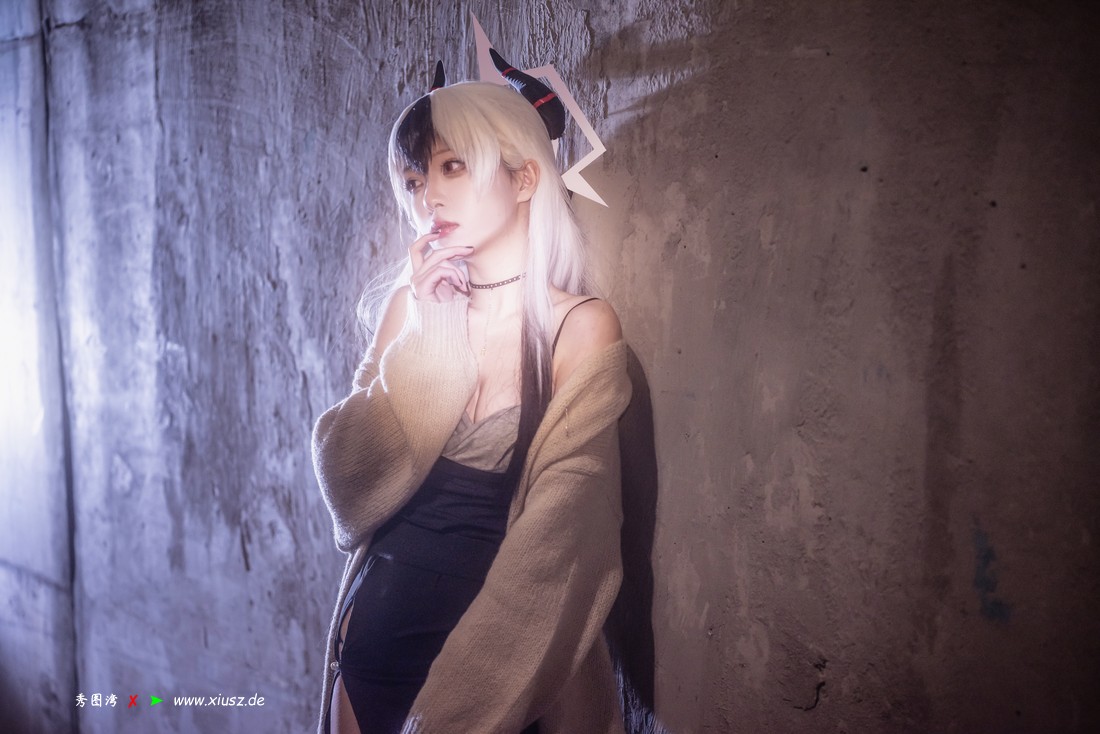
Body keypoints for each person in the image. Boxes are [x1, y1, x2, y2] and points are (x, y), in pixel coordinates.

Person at [312, 54, 632, 734]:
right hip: (372, 646)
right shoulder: (410, 307)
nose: (428, 195)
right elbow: (350, 488)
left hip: (501, 670)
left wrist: (457, 707)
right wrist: (431, 335)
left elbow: (567, 540)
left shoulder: (581, 327)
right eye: (414, 178)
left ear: (524, 178)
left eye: (452, 166)